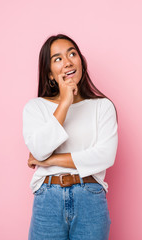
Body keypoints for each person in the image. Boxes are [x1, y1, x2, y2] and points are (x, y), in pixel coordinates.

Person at [22, 33, 118, 240]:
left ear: (81, 62)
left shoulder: (102, 106)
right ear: (49, 74)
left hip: (90, 198)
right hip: (48, 198)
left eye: (72, 54)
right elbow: (39, 149)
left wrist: (49, 160)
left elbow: (105, 156)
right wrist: (65, 103)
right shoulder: (35, 107)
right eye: (57, 59)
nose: (67, 62)